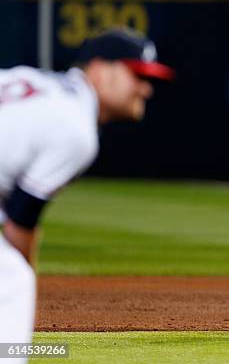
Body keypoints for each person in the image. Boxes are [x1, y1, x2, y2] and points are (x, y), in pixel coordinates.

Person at [0, 27, 174, 360]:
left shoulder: (39, 85)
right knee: (14, 277)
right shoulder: (75, 127)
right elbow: (19, 226)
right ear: (99, 68)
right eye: (136, 75)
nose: (146, 89)